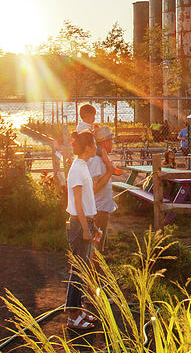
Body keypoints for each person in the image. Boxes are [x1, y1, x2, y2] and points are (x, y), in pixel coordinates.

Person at [65, 130, 105, 330]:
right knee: (78, 271)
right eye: (94, 144)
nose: (96, 147)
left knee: (82, 270)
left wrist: (92, 223)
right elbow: (78, 204)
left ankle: (78, 310)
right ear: (88, 147)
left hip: (86, 222)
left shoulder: (82, 166)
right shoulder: (77, 169)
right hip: (79, 224)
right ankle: (72, 315)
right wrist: (85, 229)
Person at [89, 126, 118, 252]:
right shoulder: (96, 161)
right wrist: (109, 173)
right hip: (98, 210)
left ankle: (95, 266)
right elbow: (94, 188)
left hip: (102, 208)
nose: (113, 144)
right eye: (111, 140)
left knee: (99, 243)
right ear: (105, 142)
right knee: (96, 244)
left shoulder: (101, 159)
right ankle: (93, 269)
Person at [76, 103, 122, 176]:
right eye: (93, 116)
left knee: (102, 150)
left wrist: (94, 129)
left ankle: (109, 165)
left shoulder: (86, 125)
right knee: (102, 150)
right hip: (88, 148)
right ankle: (110, 166)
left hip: (91, 146)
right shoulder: (82, 126)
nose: (94, 118)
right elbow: (87, 136)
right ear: (87, 116)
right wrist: (94, 131)